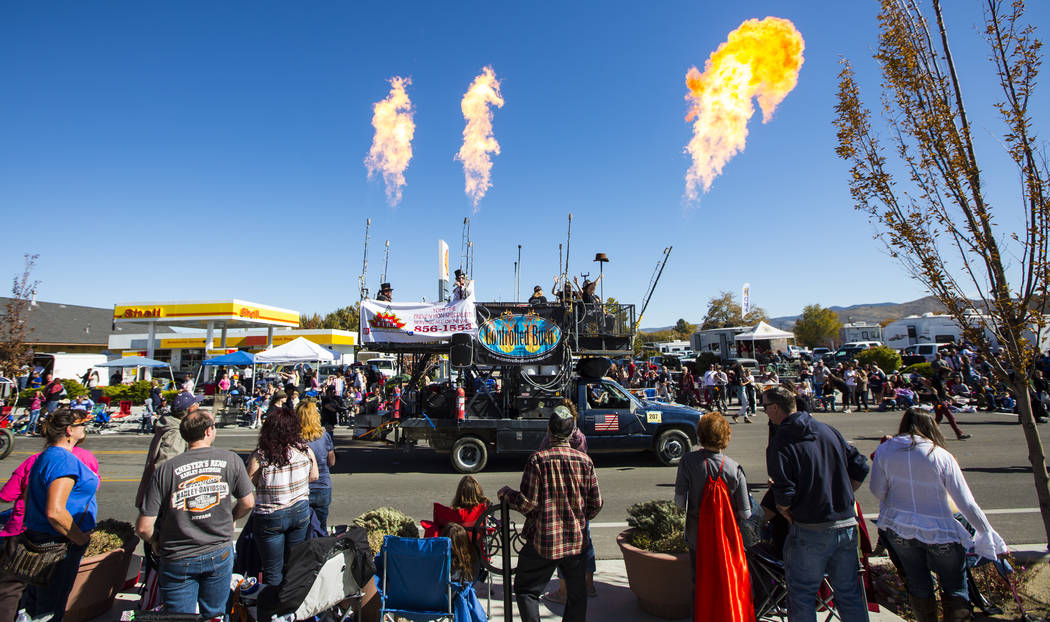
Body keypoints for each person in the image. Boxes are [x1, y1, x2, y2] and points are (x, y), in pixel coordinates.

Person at [870, 408, 1008, 621]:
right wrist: (985, 531)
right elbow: (966, 502)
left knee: (918, 582)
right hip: (939, 528)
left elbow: (877, 490)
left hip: (900, 527)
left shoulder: (886, 451)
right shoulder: (940, 455)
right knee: (954, 586)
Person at [763, 386, 870, 622]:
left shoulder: (782, 439)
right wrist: (845, 492)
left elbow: (783, 487)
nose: (765, 413)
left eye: (765, 407)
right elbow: (860, 465)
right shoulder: (827, 430)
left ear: (775, 407)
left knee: (802, 595)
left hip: (810, 527)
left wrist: (784, 508)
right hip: (845, 523)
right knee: (849, 594)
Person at [137, 410, 255, 618]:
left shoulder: (166, 470)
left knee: (179, 616)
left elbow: (143, 527)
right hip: (218, 548)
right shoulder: (231, 460)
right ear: (209, 431)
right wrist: (231, 518)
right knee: (216, 613)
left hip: (177, 555)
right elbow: (248, 502)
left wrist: (154, 541)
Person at [498, 408, 602, 622]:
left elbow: (528, 504)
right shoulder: (585, 461)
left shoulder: (538, 460)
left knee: (526, 589)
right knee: (577, 595)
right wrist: (581, 518)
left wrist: (507, 494)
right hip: (575, 541)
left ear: (548, 430)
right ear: (572, 431)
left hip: (544, 541)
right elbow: (596, 503)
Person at [0, 417, 99, 622]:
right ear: (70, 430)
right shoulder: (63, 460)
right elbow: (55, 511)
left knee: (34, 603)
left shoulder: (46, 456)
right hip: (57, 544)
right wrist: (80, 539)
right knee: (48, 609)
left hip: (42, 537)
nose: (85, 428)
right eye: (82, 425)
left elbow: (27, 496)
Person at [674, 412, 752, 622]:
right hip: (727, 538)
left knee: (699, 581)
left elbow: (680, 501)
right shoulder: (734, 468)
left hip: (697, 534)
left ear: (701, 435)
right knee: (728, 580)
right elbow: (745, 512)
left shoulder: (688, 461)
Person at [247, 410, 319, 586]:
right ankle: (291, 602)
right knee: (293, 564)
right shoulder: (304, 450)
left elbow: (249, 481)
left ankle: (274, 606)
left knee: (272, 569)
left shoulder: (261, 456)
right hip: (299, 509)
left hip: (271, 513)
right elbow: (315, 475)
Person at [135, 391, 198, 509]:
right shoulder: (176, 433)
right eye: (196, 405)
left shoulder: (171, 425)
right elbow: (167, 469)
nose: (199, 407)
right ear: (189, 410)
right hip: (167, 503)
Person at [298, 401, 335, 532]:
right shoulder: (324, 436)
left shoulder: (295, 438)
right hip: (323, 486)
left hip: (301, 488)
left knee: (301, 530)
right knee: (321, 527)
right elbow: (331, 462)